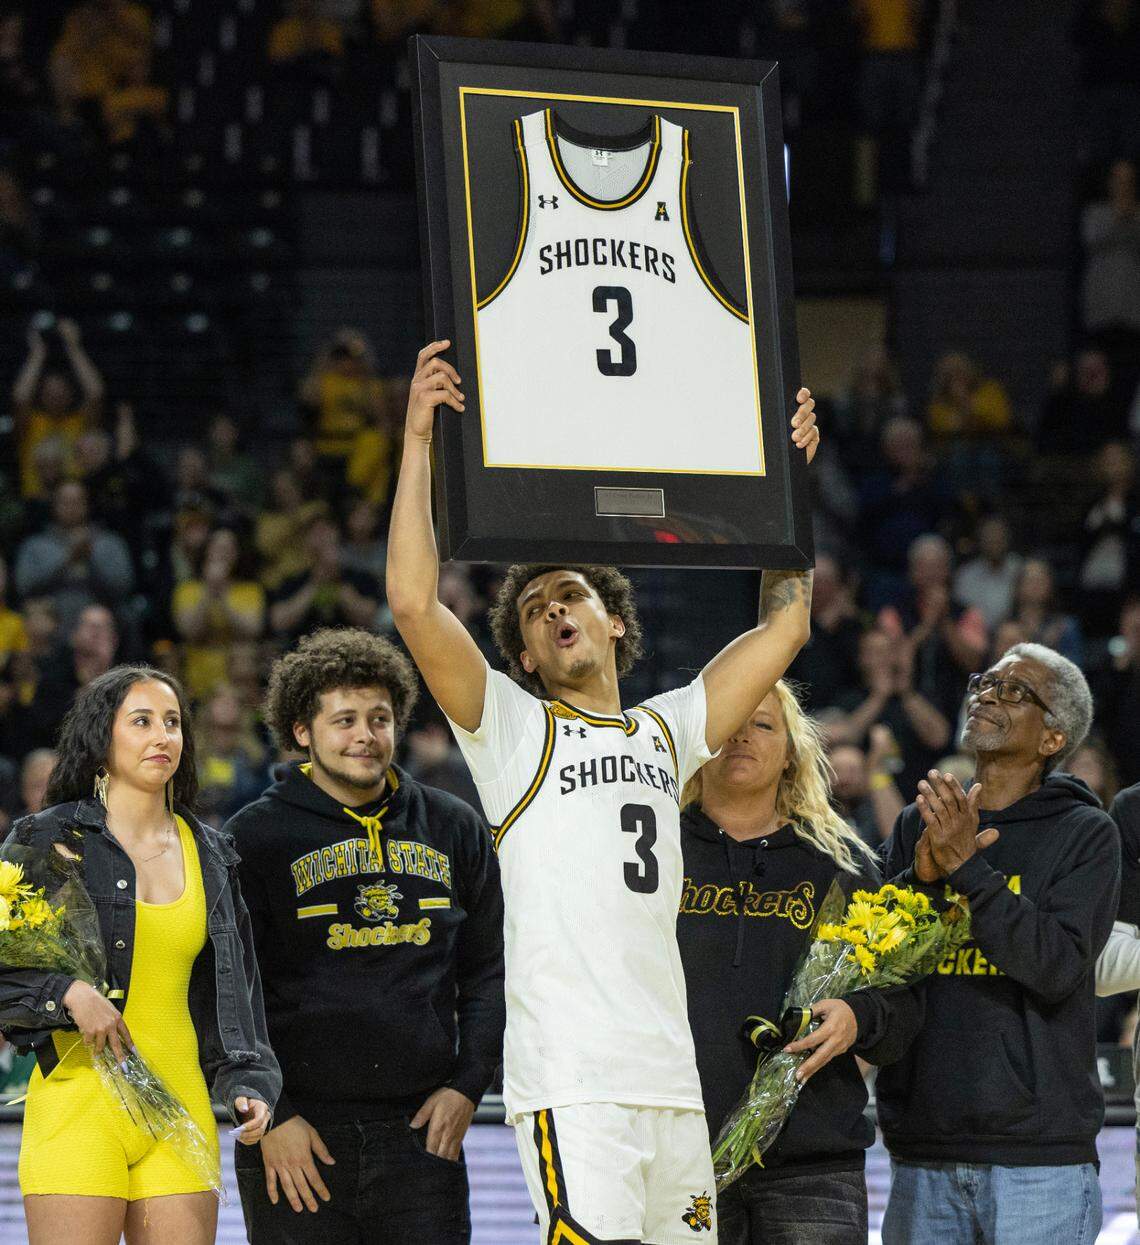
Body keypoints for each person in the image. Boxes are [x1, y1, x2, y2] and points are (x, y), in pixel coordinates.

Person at [386, 339, 820, 1244]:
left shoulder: (667, 729)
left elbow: (787, 624)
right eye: (537, 608)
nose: (554, 608)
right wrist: (419, 442)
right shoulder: (510, 731)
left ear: (613, 621)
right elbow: (416, 606)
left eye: (571, 592)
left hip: (670, 1083)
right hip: (575, 1085)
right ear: (524, 657)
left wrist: (789, 488)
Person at [227, 628, 504, 1244]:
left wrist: (467, 1085)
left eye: (380, 718)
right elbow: (226, 992)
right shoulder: (252, 838)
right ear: (303, 731)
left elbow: (489, 970)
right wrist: (271, 1114)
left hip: (423, 1134)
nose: (365, 736)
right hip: (297, 1134)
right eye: (345, 719)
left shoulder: (454, 825)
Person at [0, 665, 278, 1245]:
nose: (163, 736)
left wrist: (248, 1079)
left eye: (173, 723)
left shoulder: (213, 853)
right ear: (103, 739)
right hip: (78, 1106)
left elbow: (238, 987)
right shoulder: (45, 841)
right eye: (143, 721)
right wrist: (67, 994)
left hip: (179, 1106)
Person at [878, 643, 1120, 1245]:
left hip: (1040, 1161)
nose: (987, 694)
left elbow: (1056, 964)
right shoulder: (920, 822)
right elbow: (879, 963)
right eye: (986, 681)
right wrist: (920, 881)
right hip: (923, 1149)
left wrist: (967, 870)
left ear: (1052, 740)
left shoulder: (1086, 833)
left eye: (1015, 691)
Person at [677, 680, 920, 1244]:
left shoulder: (843, 864)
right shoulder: (651, 851)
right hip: (676, 1161)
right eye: (730, 720)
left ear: (791, 752)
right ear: (697, 742)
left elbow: (904, 1006)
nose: (741, 735)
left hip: (814, 1167)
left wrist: (859, 1018)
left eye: (762, 724)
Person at [14, 479, 134, 633]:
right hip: (49, 628)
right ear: (54, 505)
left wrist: (90, 560)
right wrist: (68, 560)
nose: (71, 508)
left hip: (102, 625)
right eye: (65, 502)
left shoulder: (109, 543)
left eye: (77, 501)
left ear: (87, 504)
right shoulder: (35, 545)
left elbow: (123, 587)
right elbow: (24, 587)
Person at [10, 319, 105, 498]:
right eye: (50, 393)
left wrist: (73, 347)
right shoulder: (32, 423)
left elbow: (96, 393)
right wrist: (37, 355)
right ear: (41, 395)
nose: (56, 397)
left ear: (70, 395)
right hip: (36, 502)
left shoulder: (80, 422)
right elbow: (20, 398)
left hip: (74, 501)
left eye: (61, 393)